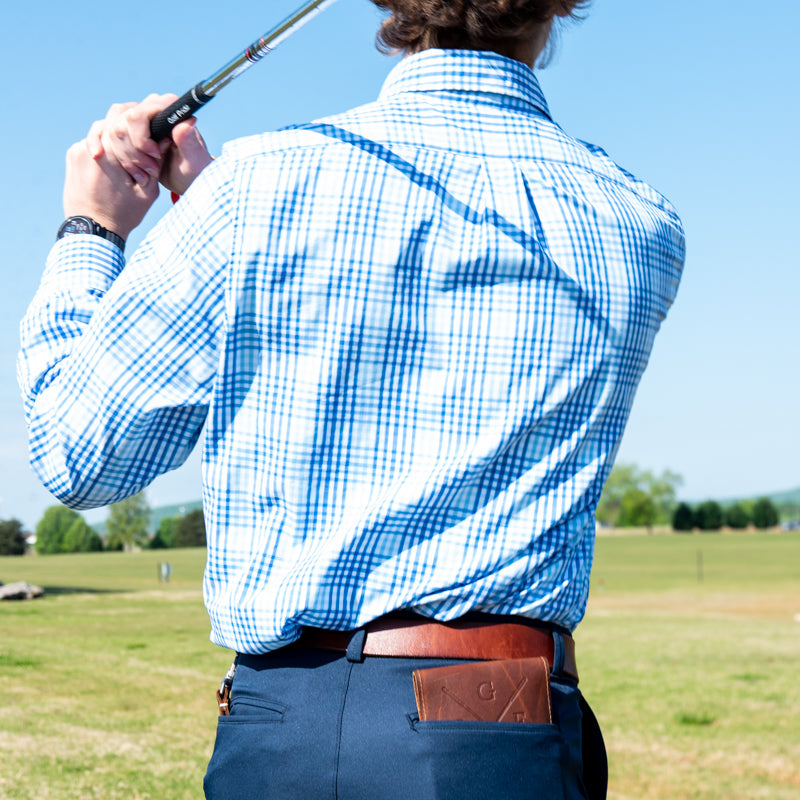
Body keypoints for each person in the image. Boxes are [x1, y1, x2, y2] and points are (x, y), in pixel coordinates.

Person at [18, 0, 685, 797]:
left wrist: (93, 231)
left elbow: (78, 455)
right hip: (507, 727)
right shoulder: (641, 221)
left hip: (288, 730)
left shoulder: (256, 186)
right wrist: (218, 222)